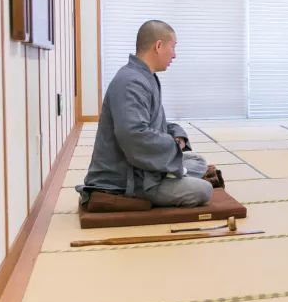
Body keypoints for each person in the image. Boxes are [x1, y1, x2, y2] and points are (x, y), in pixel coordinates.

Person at [78, 20, 213, 208]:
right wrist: (172, 147)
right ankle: (148, 190)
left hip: (144, 166)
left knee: (198, 162)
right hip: (127, 177)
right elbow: (134, 135)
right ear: (158, 46)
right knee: (204, 190)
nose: (174, 54)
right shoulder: (131, 82)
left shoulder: (144, 77)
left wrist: (178, 136)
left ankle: (173, 174)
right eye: (173, 47)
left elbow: (157, 124)